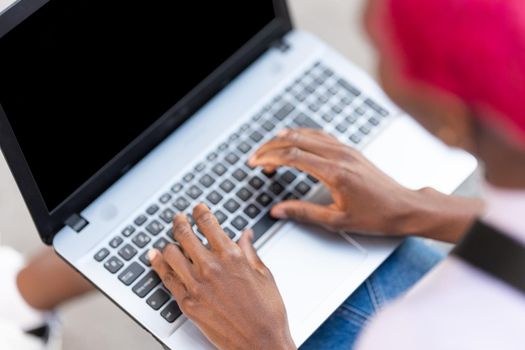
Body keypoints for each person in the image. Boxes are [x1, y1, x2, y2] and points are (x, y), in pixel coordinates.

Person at [145, 0, 525, 349]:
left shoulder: (416, 331)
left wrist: (262, 341)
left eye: (380, 49)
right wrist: (416, 209)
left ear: (450, 119)